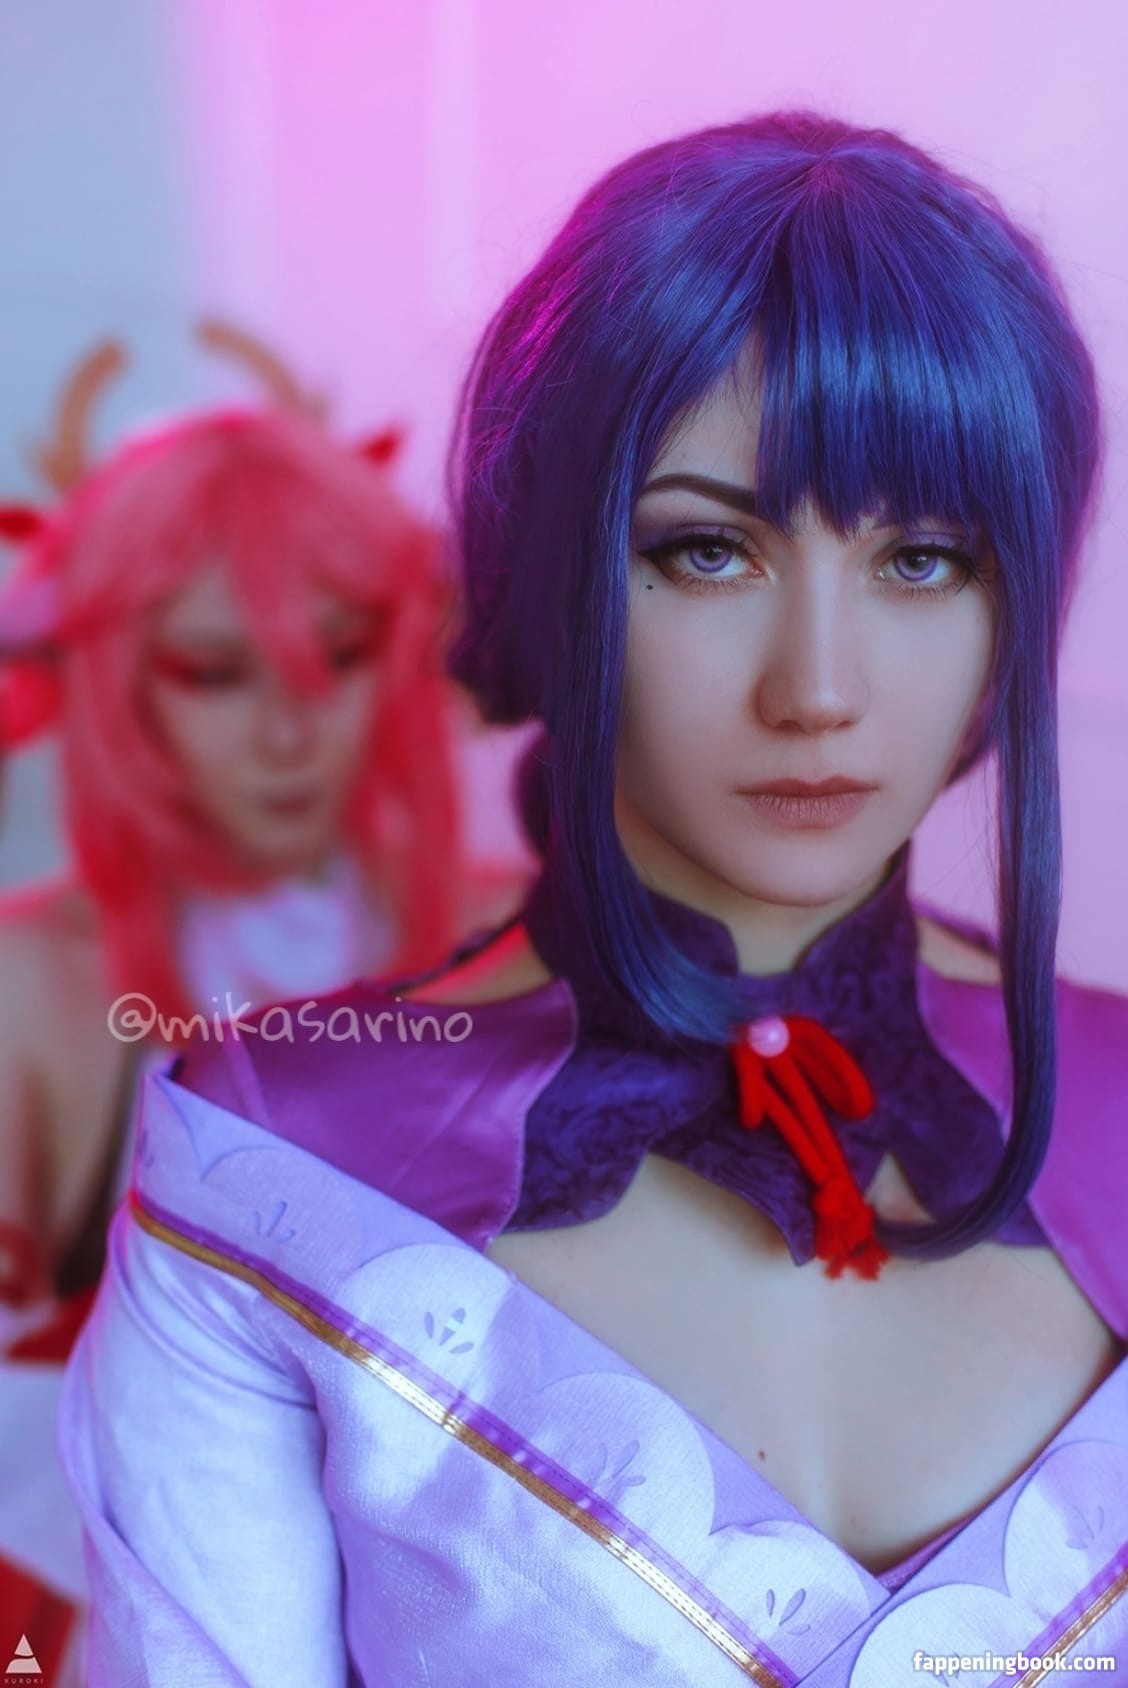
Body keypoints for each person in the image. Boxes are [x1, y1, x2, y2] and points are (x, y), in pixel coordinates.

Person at [60, 113, 1126, 1686]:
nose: (818, 689)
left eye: (922, 559)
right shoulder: (269, 1157)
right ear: (552, 569)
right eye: (706, 553)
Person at [0, 341, 467, 1684]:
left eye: (339, 656)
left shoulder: (511, 938)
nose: (289, 732)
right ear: (115, 680)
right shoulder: (34, 982)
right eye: (216, 671)